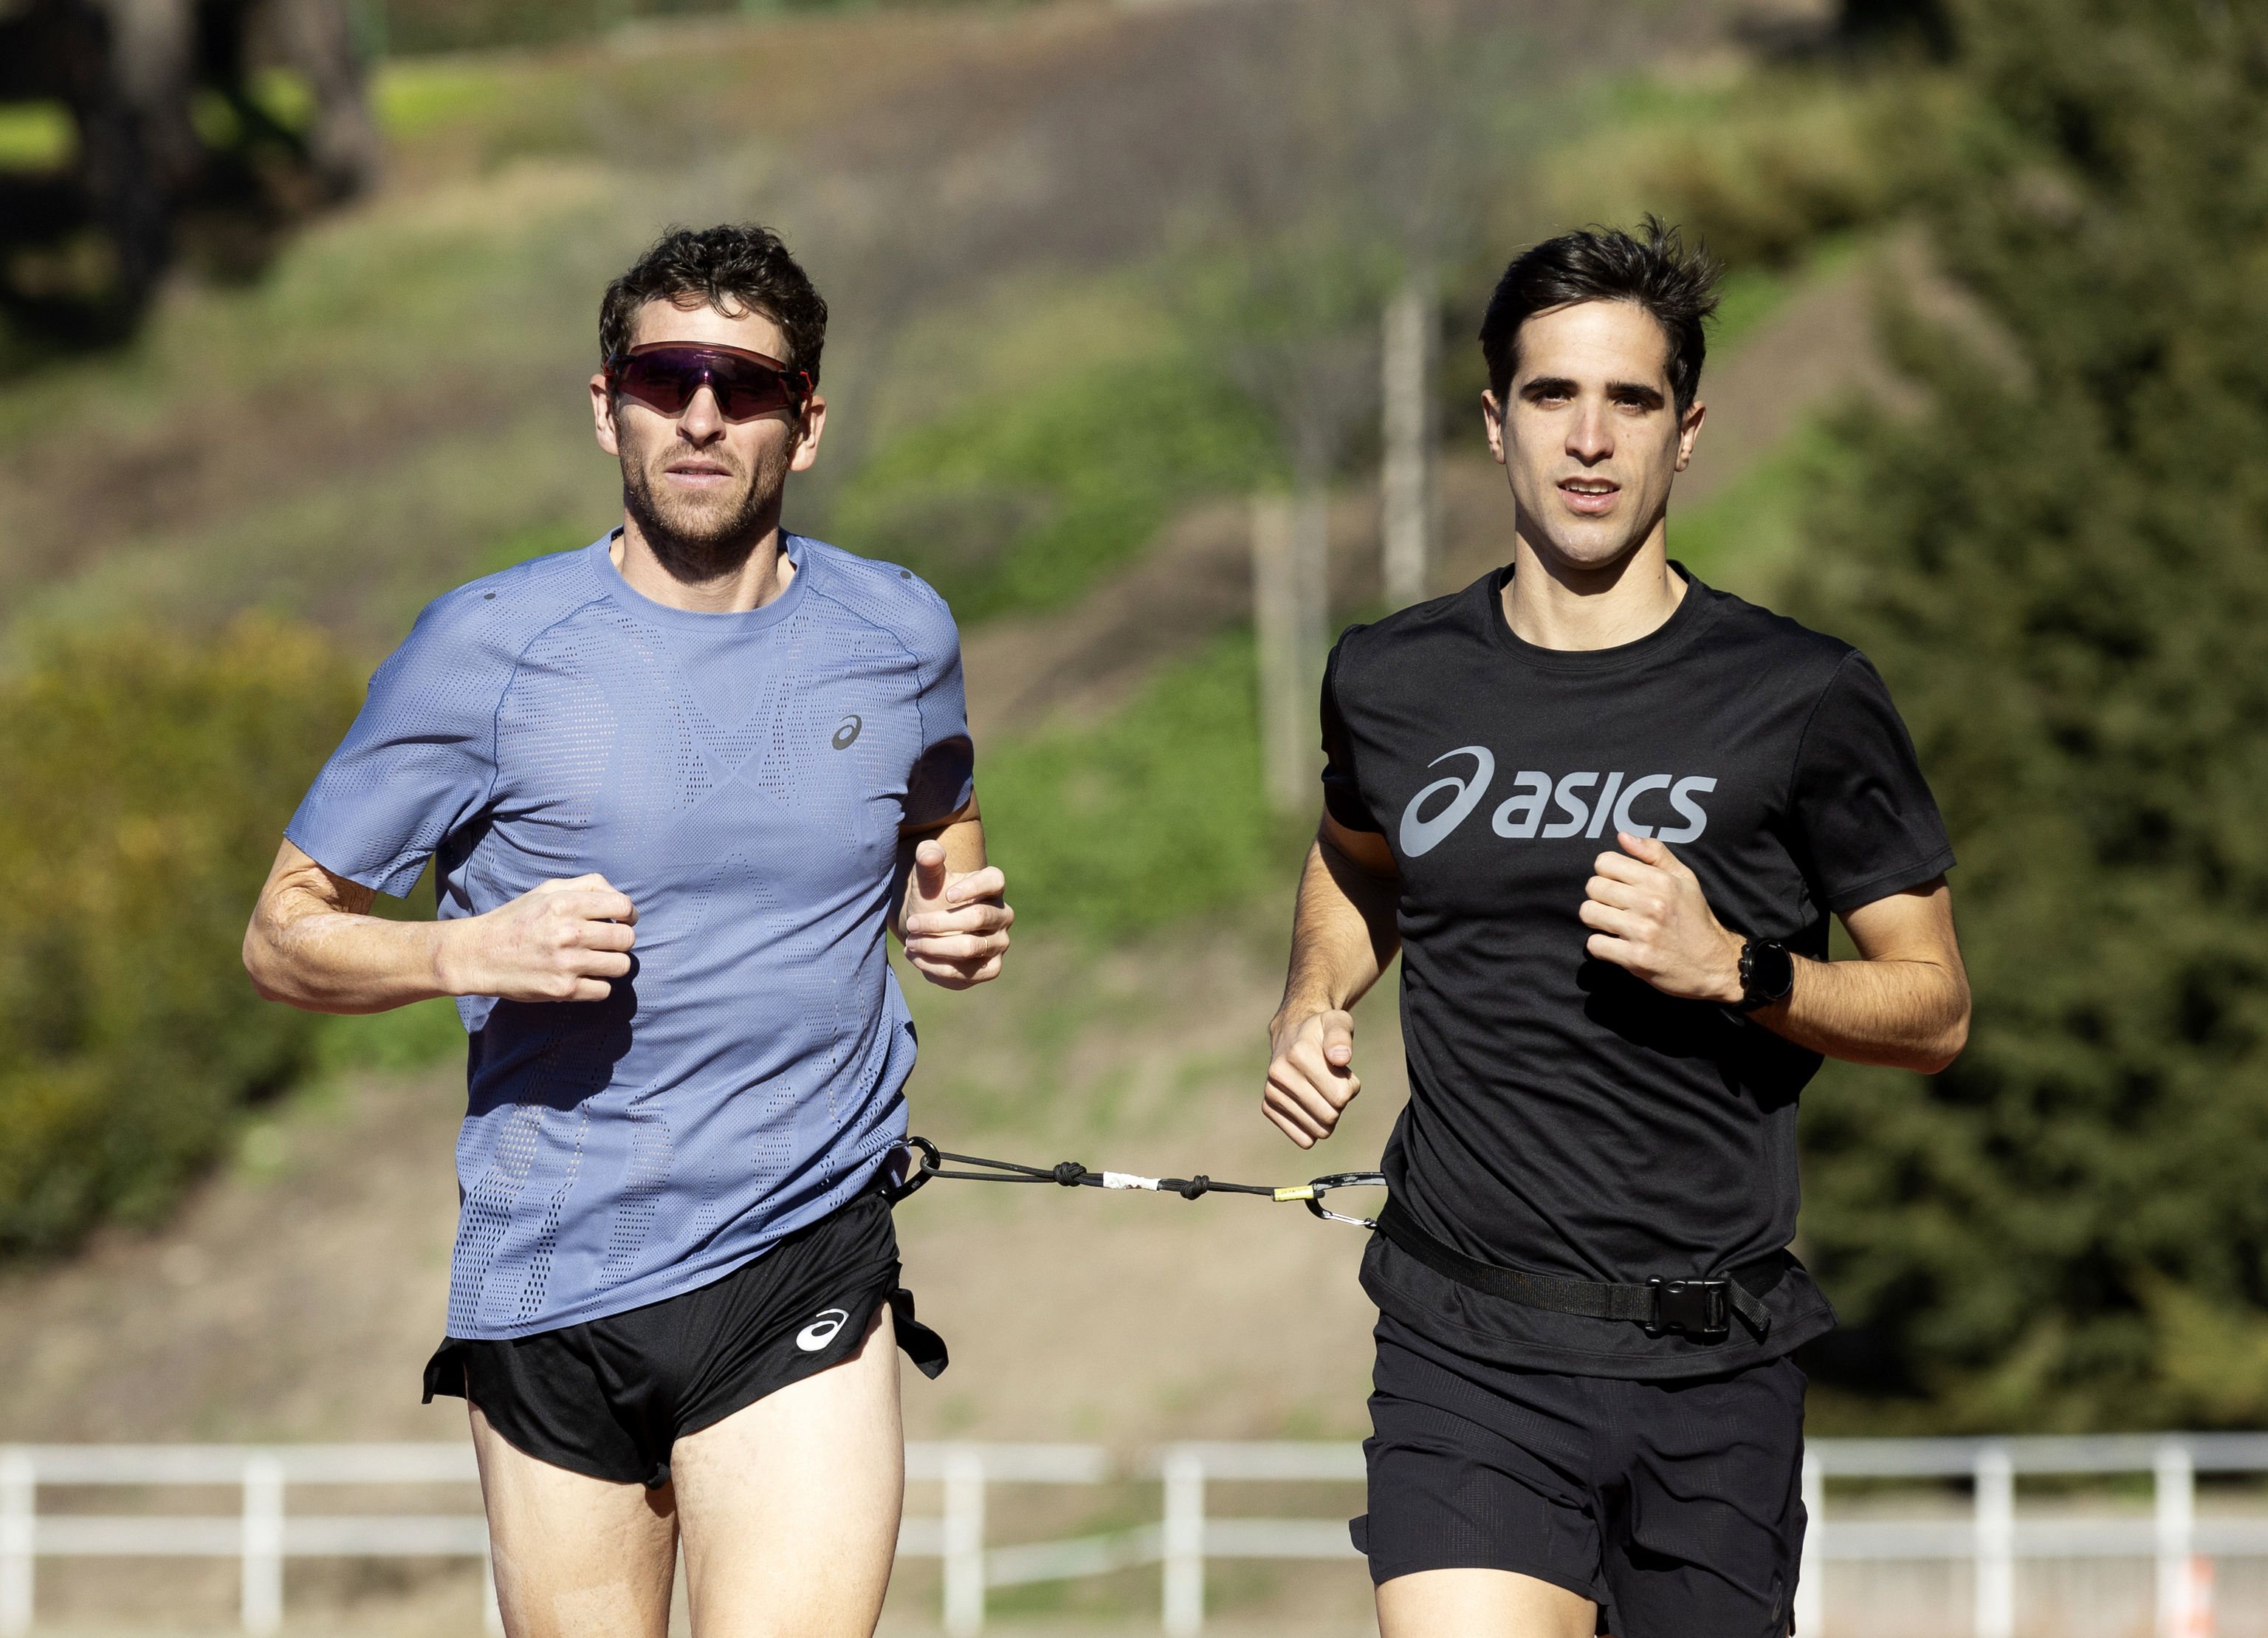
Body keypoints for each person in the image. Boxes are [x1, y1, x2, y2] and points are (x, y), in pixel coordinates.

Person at [242, 222, 1014, 1638]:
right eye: (666, 376)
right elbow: (283, 932)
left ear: (810, 423)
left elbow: (940, 821)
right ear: (608, 406)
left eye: (747, 383)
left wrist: (944, 914)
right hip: (554, 1269)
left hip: (804, 1246)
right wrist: (461, 952)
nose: (703, 412)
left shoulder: (899, 630)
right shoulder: (485, 647)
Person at [1260, 218, 1970, 1638]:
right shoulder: (1393, 681)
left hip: (1714, 1359)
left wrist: (1743, 970)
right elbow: (1358, 864)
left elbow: (1936, 1006)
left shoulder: (1803, 694)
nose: (1590, 440)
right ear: (1494, 423)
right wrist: (1314, 995)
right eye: (1552, 396)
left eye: (1630, 401)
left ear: (1686, 430)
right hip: (1468, 1344)